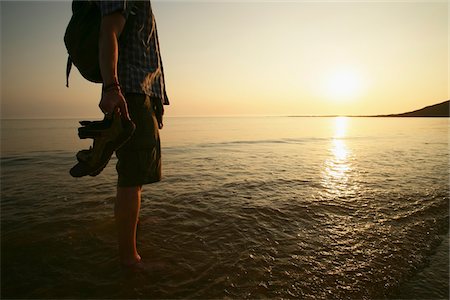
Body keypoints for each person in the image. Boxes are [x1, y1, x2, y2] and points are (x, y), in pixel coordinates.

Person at [96, 0, 169, 267]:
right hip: (131, 92)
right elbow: (109, 30)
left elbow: (149, 52)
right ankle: (129, 258)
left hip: (143, 93)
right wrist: (112, 88)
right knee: (130, 175)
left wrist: (158, 100)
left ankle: (132, 227)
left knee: (136, 173)